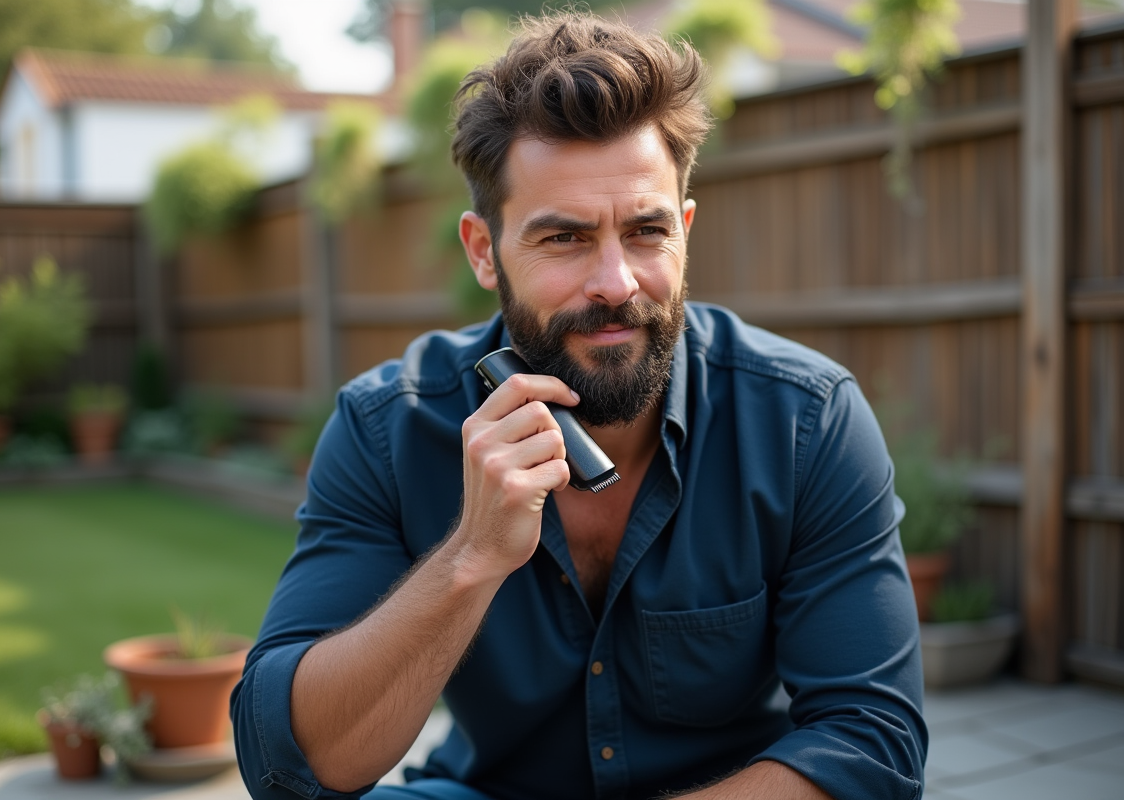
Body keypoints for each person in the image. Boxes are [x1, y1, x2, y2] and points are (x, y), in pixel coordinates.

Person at [231, 11, 925, 800]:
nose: (616, 283)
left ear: (684, 232)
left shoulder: (806, 420)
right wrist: (470, 557)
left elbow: (873, 745)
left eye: (645, 231)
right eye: (563, 239)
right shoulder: (389, 426)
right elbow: (291, 768)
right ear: (484, 251)